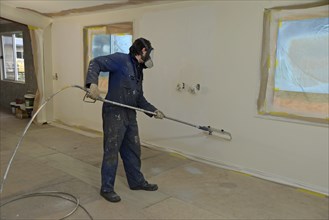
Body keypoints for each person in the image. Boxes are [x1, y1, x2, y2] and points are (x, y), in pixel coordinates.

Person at [85, 38, 165, 203]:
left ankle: (136, 181)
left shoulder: (138, 70)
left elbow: (139, 98)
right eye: (149, 51)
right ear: (143, 51)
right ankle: (107, 188)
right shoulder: (120, 60)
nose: (150, 56)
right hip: (114, 113)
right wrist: (92, 84)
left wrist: (153, 110)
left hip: (130, 114)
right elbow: (96, 63)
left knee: (133, 150)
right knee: (112, 151)